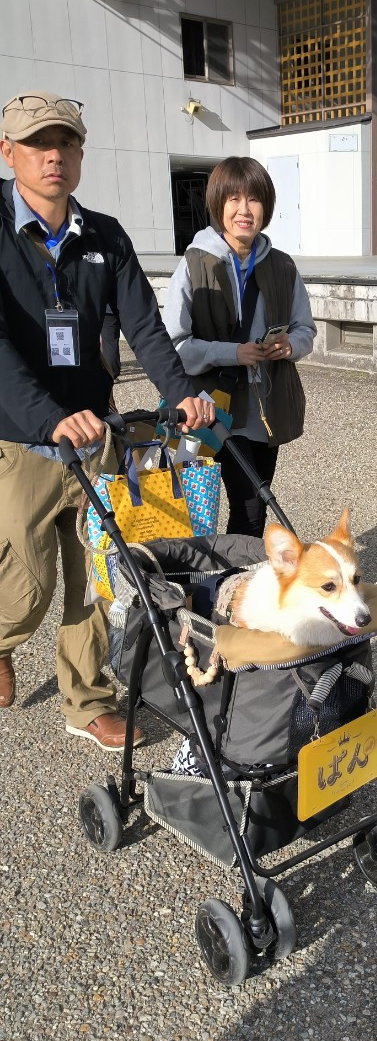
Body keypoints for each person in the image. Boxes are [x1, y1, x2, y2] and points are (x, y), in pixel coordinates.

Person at [0, 90, 211, 749]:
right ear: (8, 153)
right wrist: (47, 417)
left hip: (99, 434)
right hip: (22, 436)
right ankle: (1, 640)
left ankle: (86, 699)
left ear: (80, 152)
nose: (52, 156)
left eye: (64, 143)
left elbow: (145, 327)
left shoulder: (105, 235)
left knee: (96, 572)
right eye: (37, 144)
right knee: (29, 581)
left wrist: (181, 394)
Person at [163, 156, 316, 536]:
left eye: (254, 199)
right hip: (210, 406)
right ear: (217, 204)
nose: (244, 210)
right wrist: (233, 352)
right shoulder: (195, 263)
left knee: (254, 507)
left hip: (266, 407)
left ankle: (235, 586)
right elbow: (173, 344)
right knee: (202, 507)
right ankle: (216, 585)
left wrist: (289, 347)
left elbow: (305, 330)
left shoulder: (282, 266)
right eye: (233, 199)